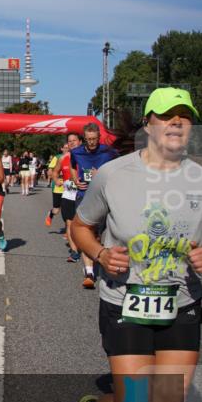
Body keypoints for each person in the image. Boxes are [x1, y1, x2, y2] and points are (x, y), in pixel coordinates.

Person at [71, 88, 202, 402]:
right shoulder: (113, 175)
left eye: (184, 116)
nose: (176, 123)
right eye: (167, 115)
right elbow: (80, 226)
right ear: (148, 124)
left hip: (181, 303)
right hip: (125, 301)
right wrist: (99, 254)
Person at [71, 122, 119, 289]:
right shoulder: (76, 152)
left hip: (103, 197)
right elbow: (72, 166)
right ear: (84, 138)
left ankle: (101, 258)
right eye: (88, 139)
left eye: (94, 139)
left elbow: (120, 168)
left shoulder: (108, 152)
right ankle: (89, 273)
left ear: (99, 137)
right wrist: (75, 180)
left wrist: (102, 176)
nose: (91, 142)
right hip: (83, 196)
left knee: (98, 236)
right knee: (86, 232)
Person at [52, 132, 83, 261]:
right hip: (68, 195)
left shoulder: (86, 157)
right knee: (69, 224)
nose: (72, 143)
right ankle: (74, 252)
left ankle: (86, 247)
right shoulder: (63, 158)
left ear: (80, 142)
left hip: (84, 195)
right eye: (69, 141)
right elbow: (54, 172)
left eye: (74, 140)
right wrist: (56, 180)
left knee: (83, 225)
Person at [45, 143, 67, 227]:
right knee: (56, 210)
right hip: (58, 187)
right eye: (65, 148)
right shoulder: (57, 157)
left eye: (68, 148)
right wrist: (57, 177)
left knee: (67, 209)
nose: (67, 149)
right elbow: (49, 172)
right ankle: (51, 213)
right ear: (61, 149)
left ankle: (68, 228)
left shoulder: (73, 157)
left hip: (69, 187)